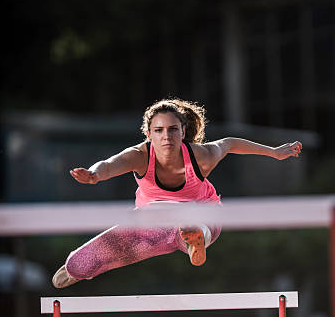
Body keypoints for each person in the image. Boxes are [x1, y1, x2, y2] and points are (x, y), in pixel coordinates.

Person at [52, 98, 302, 288]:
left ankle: (195, 240)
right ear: (149, 135)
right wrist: (94, 174)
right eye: (159, 131)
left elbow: (228, 144)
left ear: (183, 132)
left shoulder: (201, 157)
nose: (167, 136)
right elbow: (109, 164)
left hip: (202, 213)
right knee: (78, 264)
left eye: (173, 129)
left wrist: (274, 151)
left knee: (196, 224)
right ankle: (77, 269)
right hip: (154, 223)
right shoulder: (140, 156)